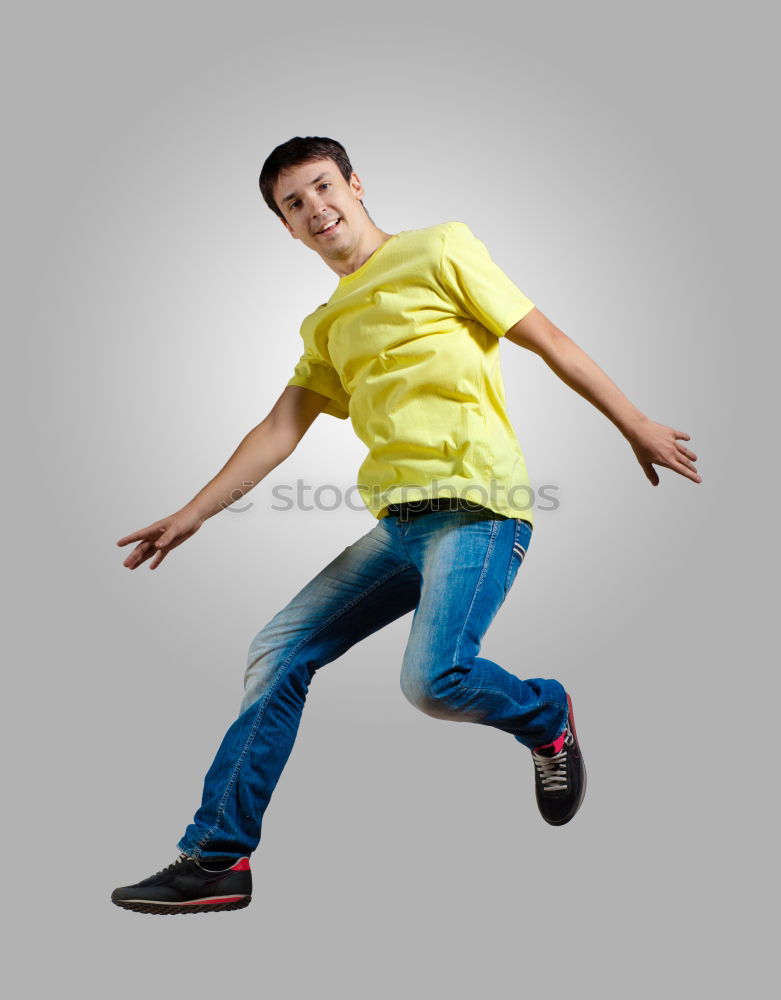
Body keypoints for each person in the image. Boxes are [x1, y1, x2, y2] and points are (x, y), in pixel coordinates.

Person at [111, 136, 701, 915]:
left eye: (323, 187)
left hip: (481, 510)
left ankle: (545, 714)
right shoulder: (324, 325)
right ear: (285, 228)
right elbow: (276, 431)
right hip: (398, 527)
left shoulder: (440, 249)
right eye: (294, 204)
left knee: (432, 681)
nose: (314, 207)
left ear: (354, 184)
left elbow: (547, 338)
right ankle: (219, 858)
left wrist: (633, 421)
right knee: (277, 649)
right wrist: (192, 514)